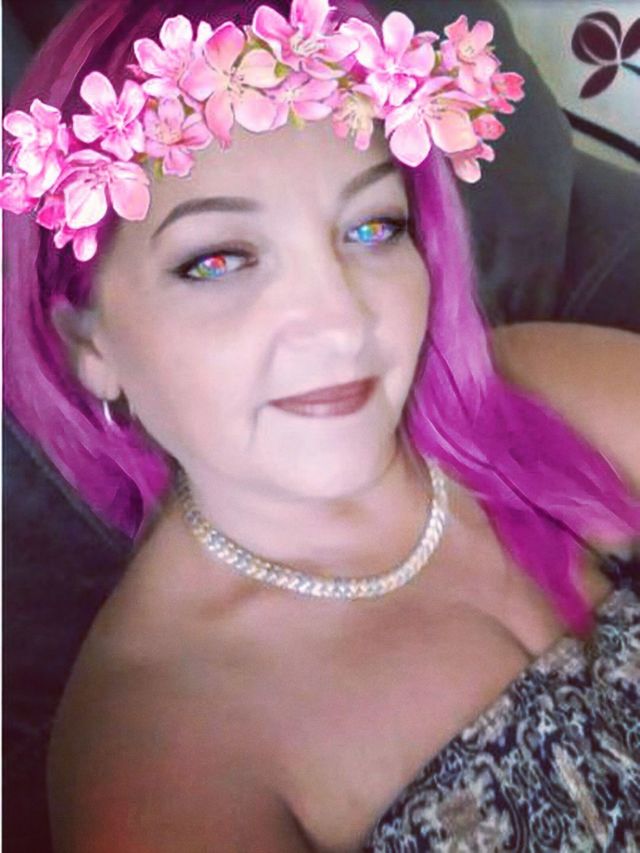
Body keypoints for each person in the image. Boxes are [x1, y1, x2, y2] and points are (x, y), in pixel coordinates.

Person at [2, 0, 639, 850]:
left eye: (372, 227)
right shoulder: (161, 759)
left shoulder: (539, 388)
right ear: (88, 345)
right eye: (218, 260)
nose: (339, 321)